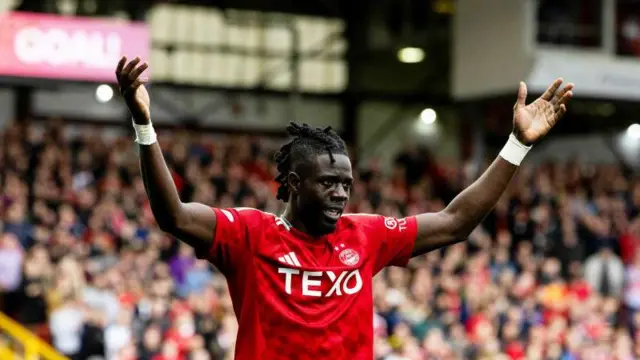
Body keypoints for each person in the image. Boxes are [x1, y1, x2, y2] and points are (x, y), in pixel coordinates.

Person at [115, 56, 573, 359]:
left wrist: (516, 145)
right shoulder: (248, 235)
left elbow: (455, 222)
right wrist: (143, 124)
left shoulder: (367, 235)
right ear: (294, 184)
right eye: (329, 183)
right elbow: (172, 215)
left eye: (347, 185)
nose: (341, 194)